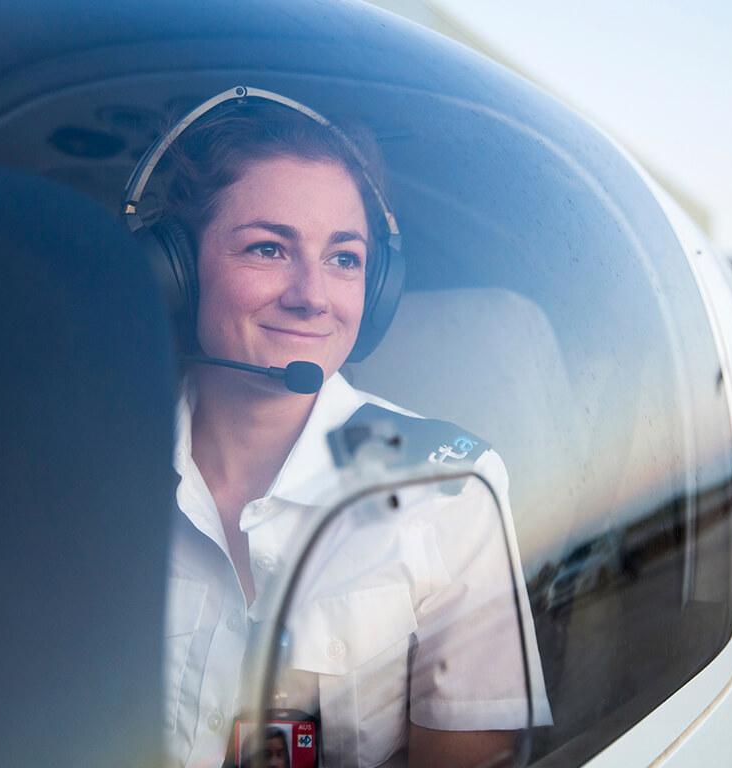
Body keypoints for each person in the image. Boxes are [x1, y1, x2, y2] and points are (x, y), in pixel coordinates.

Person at [160, 92, 550, 768]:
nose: (312, 294)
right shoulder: (90, 459)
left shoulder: (447, 487)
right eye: (268, 248)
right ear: (178, 273)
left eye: (344, 258)